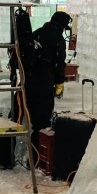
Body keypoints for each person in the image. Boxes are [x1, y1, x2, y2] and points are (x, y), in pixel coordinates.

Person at [24, 11, 72, 154]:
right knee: (42, 123)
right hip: (44, 85)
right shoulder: (58, 39)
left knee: (24, 118)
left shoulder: (37, 33)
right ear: (62, 26)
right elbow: (59, 64)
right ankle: (35, 158)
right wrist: (59, 83)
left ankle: (10, 156)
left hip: (28, 82)